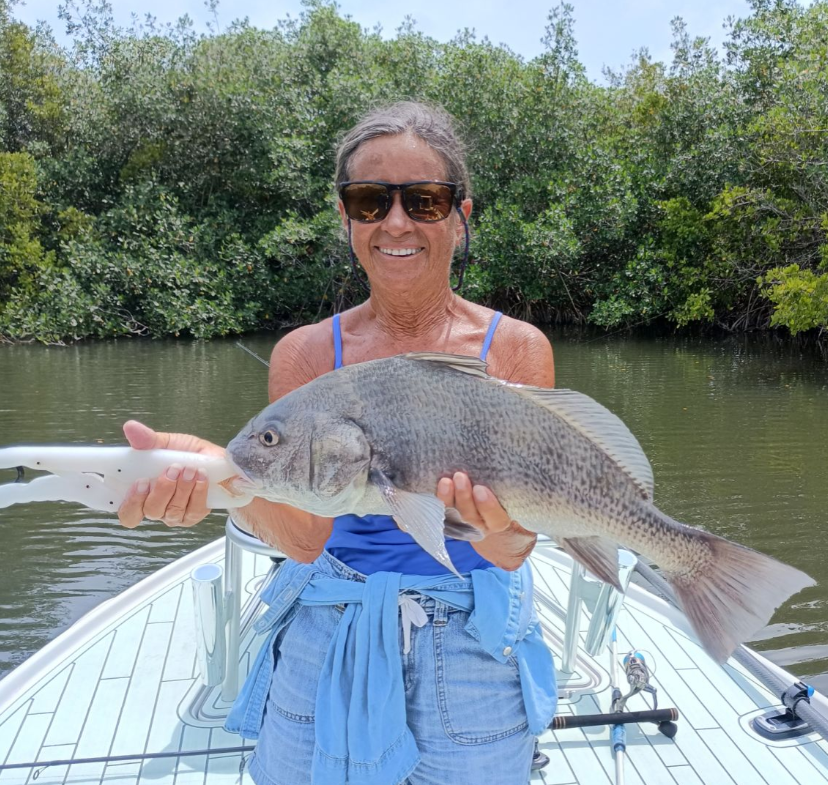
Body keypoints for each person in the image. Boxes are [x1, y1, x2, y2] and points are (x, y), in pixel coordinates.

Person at [118, 101, 558, 785]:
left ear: (461, 214)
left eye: (424, 200)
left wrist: (497, 528)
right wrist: (221, 483)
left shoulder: (517, 350)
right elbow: (301, 539)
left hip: (475, 632)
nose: (396, 222)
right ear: (345, 216)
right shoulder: (303, 355)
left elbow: (508, 550)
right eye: (368, 201)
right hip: (331, 624)